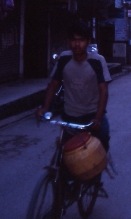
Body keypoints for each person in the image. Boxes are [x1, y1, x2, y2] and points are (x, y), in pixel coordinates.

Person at [36, 22, 111, 151]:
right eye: (74, 40)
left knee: (102, 143)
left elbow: (103, 91)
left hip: (92, 115)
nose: (77, 44)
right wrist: (45, 107)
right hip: (70, 116)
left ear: (88, 42)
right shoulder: (64, 58)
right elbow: (54, 85)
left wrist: (98, 118)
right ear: (68, 41)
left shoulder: (97, 61)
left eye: (81, 40)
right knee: (66, 155)